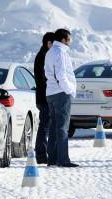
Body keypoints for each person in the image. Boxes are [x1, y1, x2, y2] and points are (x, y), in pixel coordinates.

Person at [44, 28, 78, 167]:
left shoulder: (50, 52)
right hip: (61, 93)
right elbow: (61, 75)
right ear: (63, 40)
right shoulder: (61, 53)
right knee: (62, 128)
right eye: (69, 39)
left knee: (53, 127)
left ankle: (52, 159)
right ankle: (64, 160)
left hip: (50, 93)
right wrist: (68, 90)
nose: (70, 42)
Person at [34, 32, 54, 164]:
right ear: (49, 43)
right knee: (45, 126)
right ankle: (41, 155)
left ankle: (43, 154)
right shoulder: (43, 56)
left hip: (44, 96)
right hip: (44, 97)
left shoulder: (44, 55)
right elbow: (42, 79)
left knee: (46, 126)